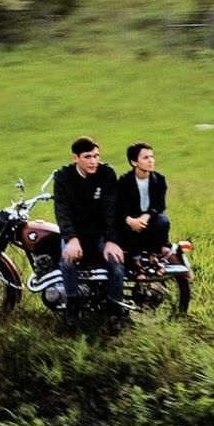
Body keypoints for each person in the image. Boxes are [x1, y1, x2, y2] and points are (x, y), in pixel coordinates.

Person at [52, 136, 130, 327]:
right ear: (75, 158)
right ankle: (73, 305)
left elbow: (111, 208)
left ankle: (115, 310)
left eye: (96, 156)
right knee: (67, 261)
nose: (93, 161)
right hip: (76, 234)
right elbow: (62, 211)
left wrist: (111, 240)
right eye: (88, 157)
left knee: (116, 263)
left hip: (101, 233)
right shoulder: (63, 177)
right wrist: (71, 238)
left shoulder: (106, 174)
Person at [116, 141, 172, 275]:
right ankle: (135, 261)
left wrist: (146, 216)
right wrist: (130, 219)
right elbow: (120, 205)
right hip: (131, 220)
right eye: (146, 158)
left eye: (152, 157)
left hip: (149, 218)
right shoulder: (125, 181)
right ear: (134, 162)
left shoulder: (159, 179)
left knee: (163, 221)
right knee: (127, 228)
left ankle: (154, 256)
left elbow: (159, 205)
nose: (151, 161)